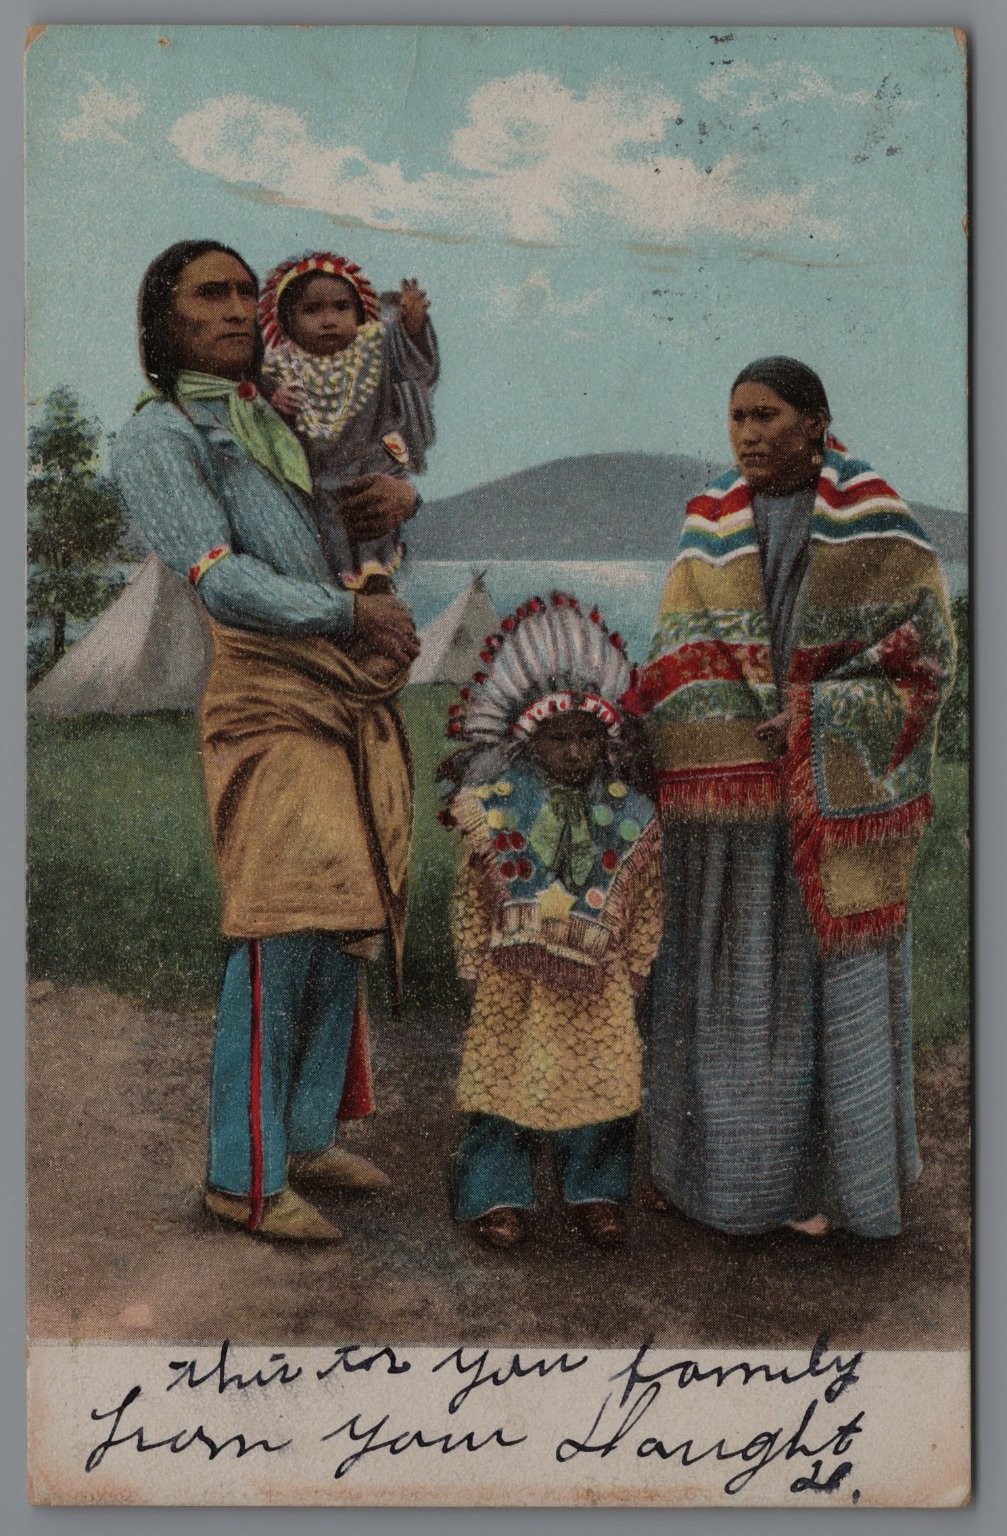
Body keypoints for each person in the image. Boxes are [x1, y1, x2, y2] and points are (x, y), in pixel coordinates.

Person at [111, 239, 421, 1243]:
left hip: (337, 692)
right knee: (285, 921)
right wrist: (349, 614)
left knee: (345, 918)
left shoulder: (279, 413)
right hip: (264, 696)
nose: (238, 308)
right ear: (163, 321)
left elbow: (358, 508)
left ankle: (303, 1135)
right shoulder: (162, 435)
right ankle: (240, 1176)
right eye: (211, 293)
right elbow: (221, 579)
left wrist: (402, 498)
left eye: (247, 292)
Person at [623, 357, 956, 1240]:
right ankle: (728, 1185)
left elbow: (925, 660)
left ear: (815, 423)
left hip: (825, 811)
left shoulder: (879, 523)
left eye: (766, 415)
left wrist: (814, 715)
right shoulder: (708, 523)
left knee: (823, 991)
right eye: (736, 417)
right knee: (729, 985)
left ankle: (838, 1189)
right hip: (731, 811)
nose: (747, 433)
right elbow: (680, 649)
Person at [442, 593, 662, 1250]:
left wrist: (638, 963)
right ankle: (495, 1193)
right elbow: (471, 893)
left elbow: (645, 895)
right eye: (558, 738)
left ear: (606, 739)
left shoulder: (631, 813)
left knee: (602, 1084)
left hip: (598, 978)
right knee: (505, 1083)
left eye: (586, 737)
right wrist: (471, 959)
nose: (573, 753)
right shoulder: (495, 807)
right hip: (515, 978)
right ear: (529, 740)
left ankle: (595, 1192)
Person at [258, 251, 438, 620]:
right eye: (312, 310)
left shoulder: (374, 349)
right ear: (287, 321)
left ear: (359, 313)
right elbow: (251, 395)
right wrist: (273, 395)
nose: (329, 320)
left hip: (367, 474)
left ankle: (374, 588)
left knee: (369, 536)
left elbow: (412, 363)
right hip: (312, 482)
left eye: (342, 308)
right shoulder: (278, 365)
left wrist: (413, 324)